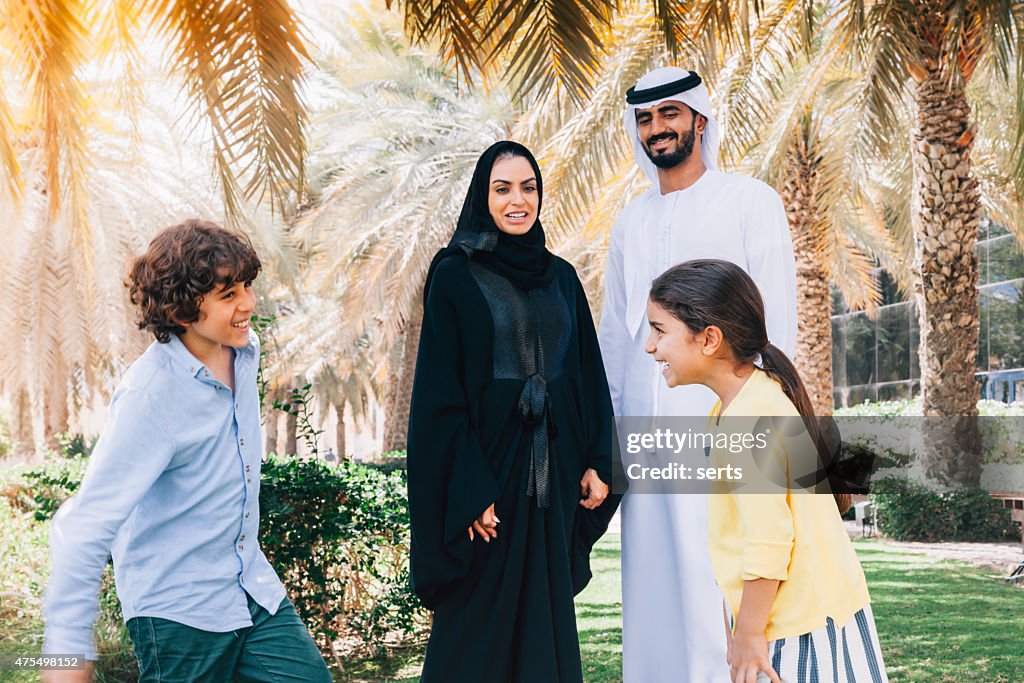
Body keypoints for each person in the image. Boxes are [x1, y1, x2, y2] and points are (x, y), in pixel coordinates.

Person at [42, 220, 332, 683]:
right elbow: (87, 524)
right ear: (181, 311)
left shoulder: (243, 350)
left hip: (250, 591)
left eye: (247, 286)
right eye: (229, 294)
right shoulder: (150, 394)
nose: (248, 303)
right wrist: (67, 652)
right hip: (177, 613)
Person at [597, 65, 799, 681]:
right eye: (645, 119)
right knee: (654, 586)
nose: (657, 128)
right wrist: (603, 438)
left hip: (721, 425)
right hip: (646, 435)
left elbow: (776, 322)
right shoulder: (630, 220)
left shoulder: (749, 201)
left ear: (698, 121)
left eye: (669, 114)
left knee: (722, 575)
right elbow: (615, 334)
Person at [407, 140, 620, 682]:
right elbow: (440, 393)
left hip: (553, 485)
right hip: (489, 482)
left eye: (528, 188)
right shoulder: (455, 273)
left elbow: (587, 378)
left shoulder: (563, 278)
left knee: (542, 624)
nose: (517, 200)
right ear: (484, 196)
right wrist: (471, 489)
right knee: (474, 630)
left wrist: (598, 459)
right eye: (502, 189)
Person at [645, 259, 887, 683]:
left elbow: (768, 540)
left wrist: (749, 634)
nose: (651, 346)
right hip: (804, 618)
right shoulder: (738, 406)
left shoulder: (750, 416)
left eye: (659, 330)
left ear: (710, 339)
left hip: (803, 629)